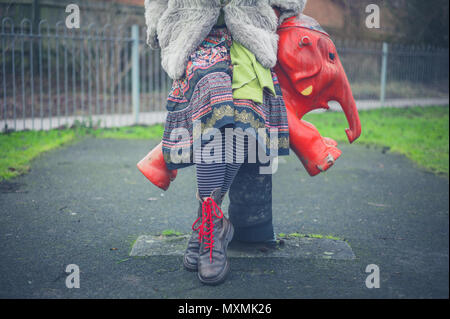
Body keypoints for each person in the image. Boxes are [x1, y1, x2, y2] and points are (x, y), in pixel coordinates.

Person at [144, 0, 307, 285]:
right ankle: (212, 228)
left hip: (249, 36)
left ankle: (209, 224)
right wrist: (157, 27)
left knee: (244, 126)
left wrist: (278, 11)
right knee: (213, 117)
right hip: (194, 35)